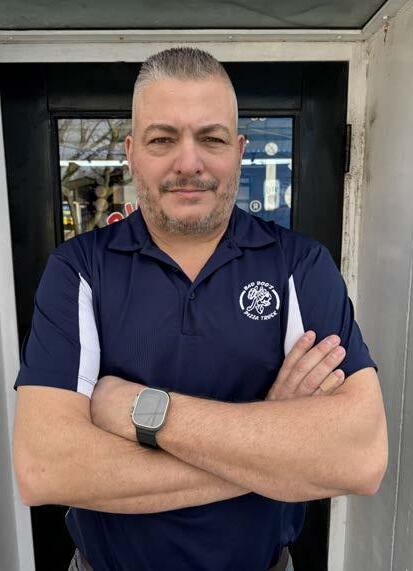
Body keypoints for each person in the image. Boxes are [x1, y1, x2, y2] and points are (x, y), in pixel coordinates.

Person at [13, 47, 388, 571]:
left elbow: (361, 458)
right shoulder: (79, 269)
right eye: (162, 139)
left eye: (211, 139)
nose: (189, 163)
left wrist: (137, 409)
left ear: (239, 150)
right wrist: (274, 447)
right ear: (132, 152)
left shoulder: (297, 265)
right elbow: (45, 469)